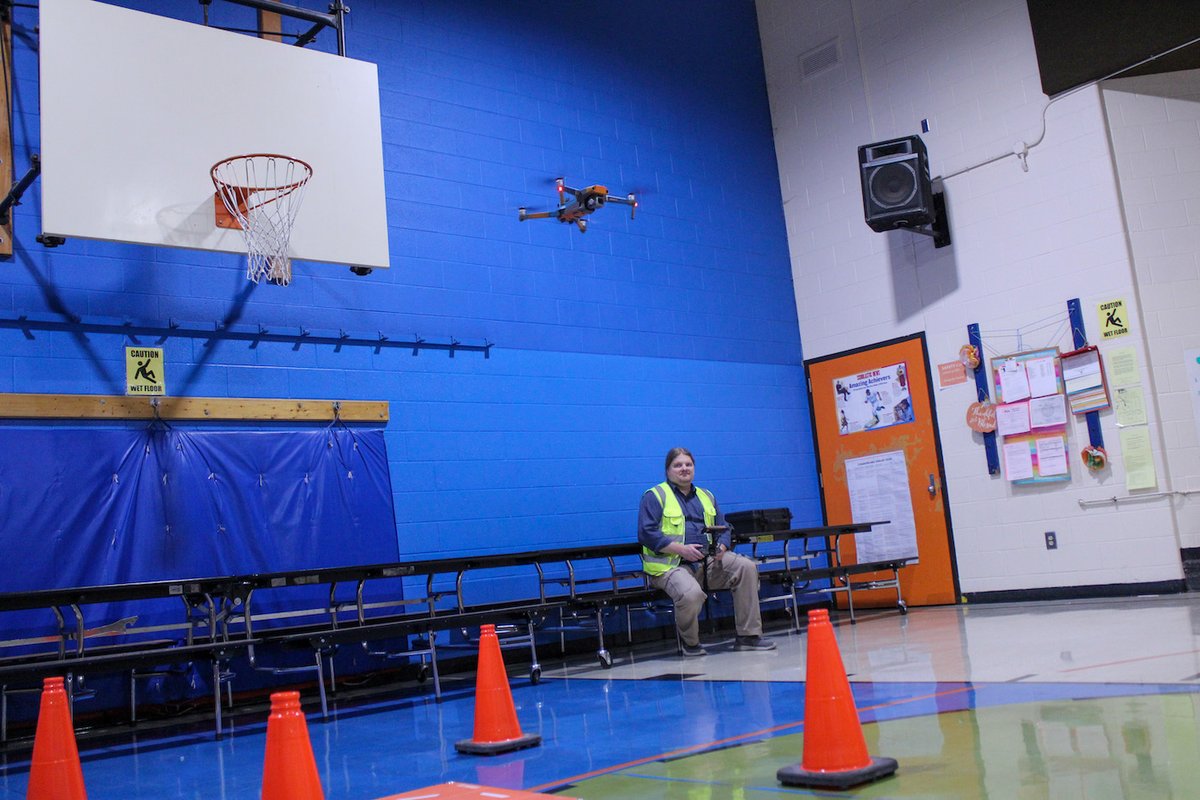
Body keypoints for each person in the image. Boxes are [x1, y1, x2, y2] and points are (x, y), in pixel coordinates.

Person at [638, 447, 777, 656]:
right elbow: (647, 534)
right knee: (691, 594)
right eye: (678, 465)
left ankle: (748, 636)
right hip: (670, 566)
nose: (684, 468)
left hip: (707, 562)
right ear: (668, 470)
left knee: (746, 567)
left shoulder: (706, 496)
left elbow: (725, 527)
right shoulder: (655, 496)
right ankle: (691, 643)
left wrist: (722, 546)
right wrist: (680, 550)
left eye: (688, 464)